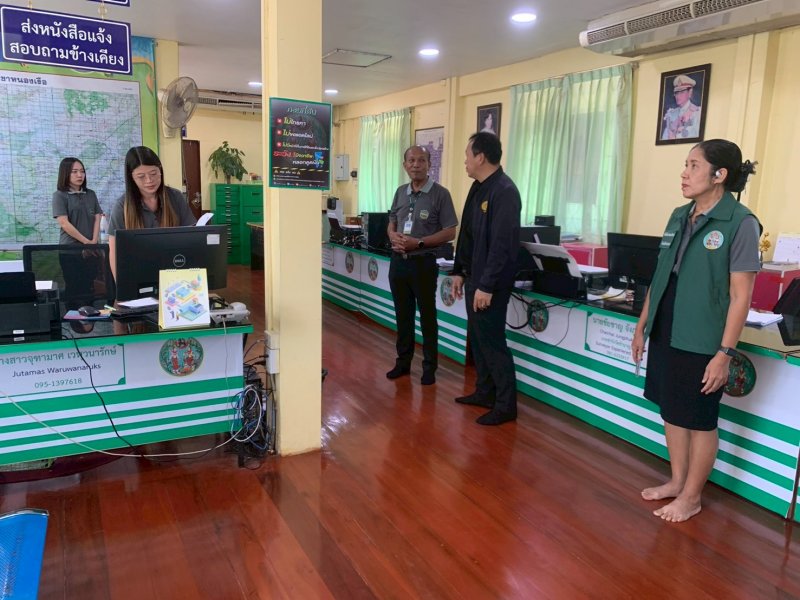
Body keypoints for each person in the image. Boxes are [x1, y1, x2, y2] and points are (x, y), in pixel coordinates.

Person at [631, 139, 760, 522]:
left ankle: (691, 497)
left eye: (693, 166)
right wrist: (642, 326)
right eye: (685, 165)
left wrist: (724, 354)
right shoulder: (679, 215)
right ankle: (676, 481)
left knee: (699, 419)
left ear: (719, 175)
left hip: (704, 336)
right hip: (667, 325)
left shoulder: (741, 223)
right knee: (671, 410)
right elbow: (661, 276)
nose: (684, 174)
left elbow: (741, 297)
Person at [451, 132, 521, 425]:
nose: (465, 161)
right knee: (478, 341)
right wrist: (459, 270)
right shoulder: (477, 187)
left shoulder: (505, 191)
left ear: (480, 157)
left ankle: (505, 405)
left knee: (492, 343)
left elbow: (502, 245)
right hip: (474, 279)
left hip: (490, 285)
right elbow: (466, 234)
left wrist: (487, 285)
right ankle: (484, 391)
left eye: (468, 155)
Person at [386, 145, 458, 385]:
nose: (416, 165)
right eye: (411, 160)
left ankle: (429, 367)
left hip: (423, 264)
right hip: (398, 263)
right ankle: (403, 363)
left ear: (429, 164)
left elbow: (450, 231)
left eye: (421, 160)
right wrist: (392, 236)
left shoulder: (440, 194)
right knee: (402, 316)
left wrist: (418, 243)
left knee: (427, 317)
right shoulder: (400, 192)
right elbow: (392, 222)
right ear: (404, 165)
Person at [108, 146, 196, 280]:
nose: (149, 180)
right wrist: (121, 287)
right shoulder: (121, 206)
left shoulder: (175, 197)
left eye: (153, 173)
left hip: (174, 273)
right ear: (131, 178)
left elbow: (192, 237)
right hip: (138, 274)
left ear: (160, 170)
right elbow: (114, 252)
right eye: (141, 176)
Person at [52, 157, 103, 308]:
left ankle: (91, 318)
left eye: (82, 171)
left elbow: (97, 216)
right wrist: (86, 242)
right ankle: (73, 318)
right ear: (65, 174)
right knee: (74, 288)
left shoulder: (90, 194)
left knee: (90, 287)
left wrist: (93, 242)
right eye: (74, 172)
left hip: (91, 250)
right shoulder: (60, 195)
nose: (80, 175)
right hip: (70, 251)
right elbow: (64, 223)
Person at [661, 74, 702, 140]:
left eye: (682, 92)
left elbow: (695, 135)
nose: (678, 96)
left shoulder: (697, 112)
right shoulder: (671, 114)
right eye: (676, 93)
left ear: (690, 92)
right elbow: (665, 137)